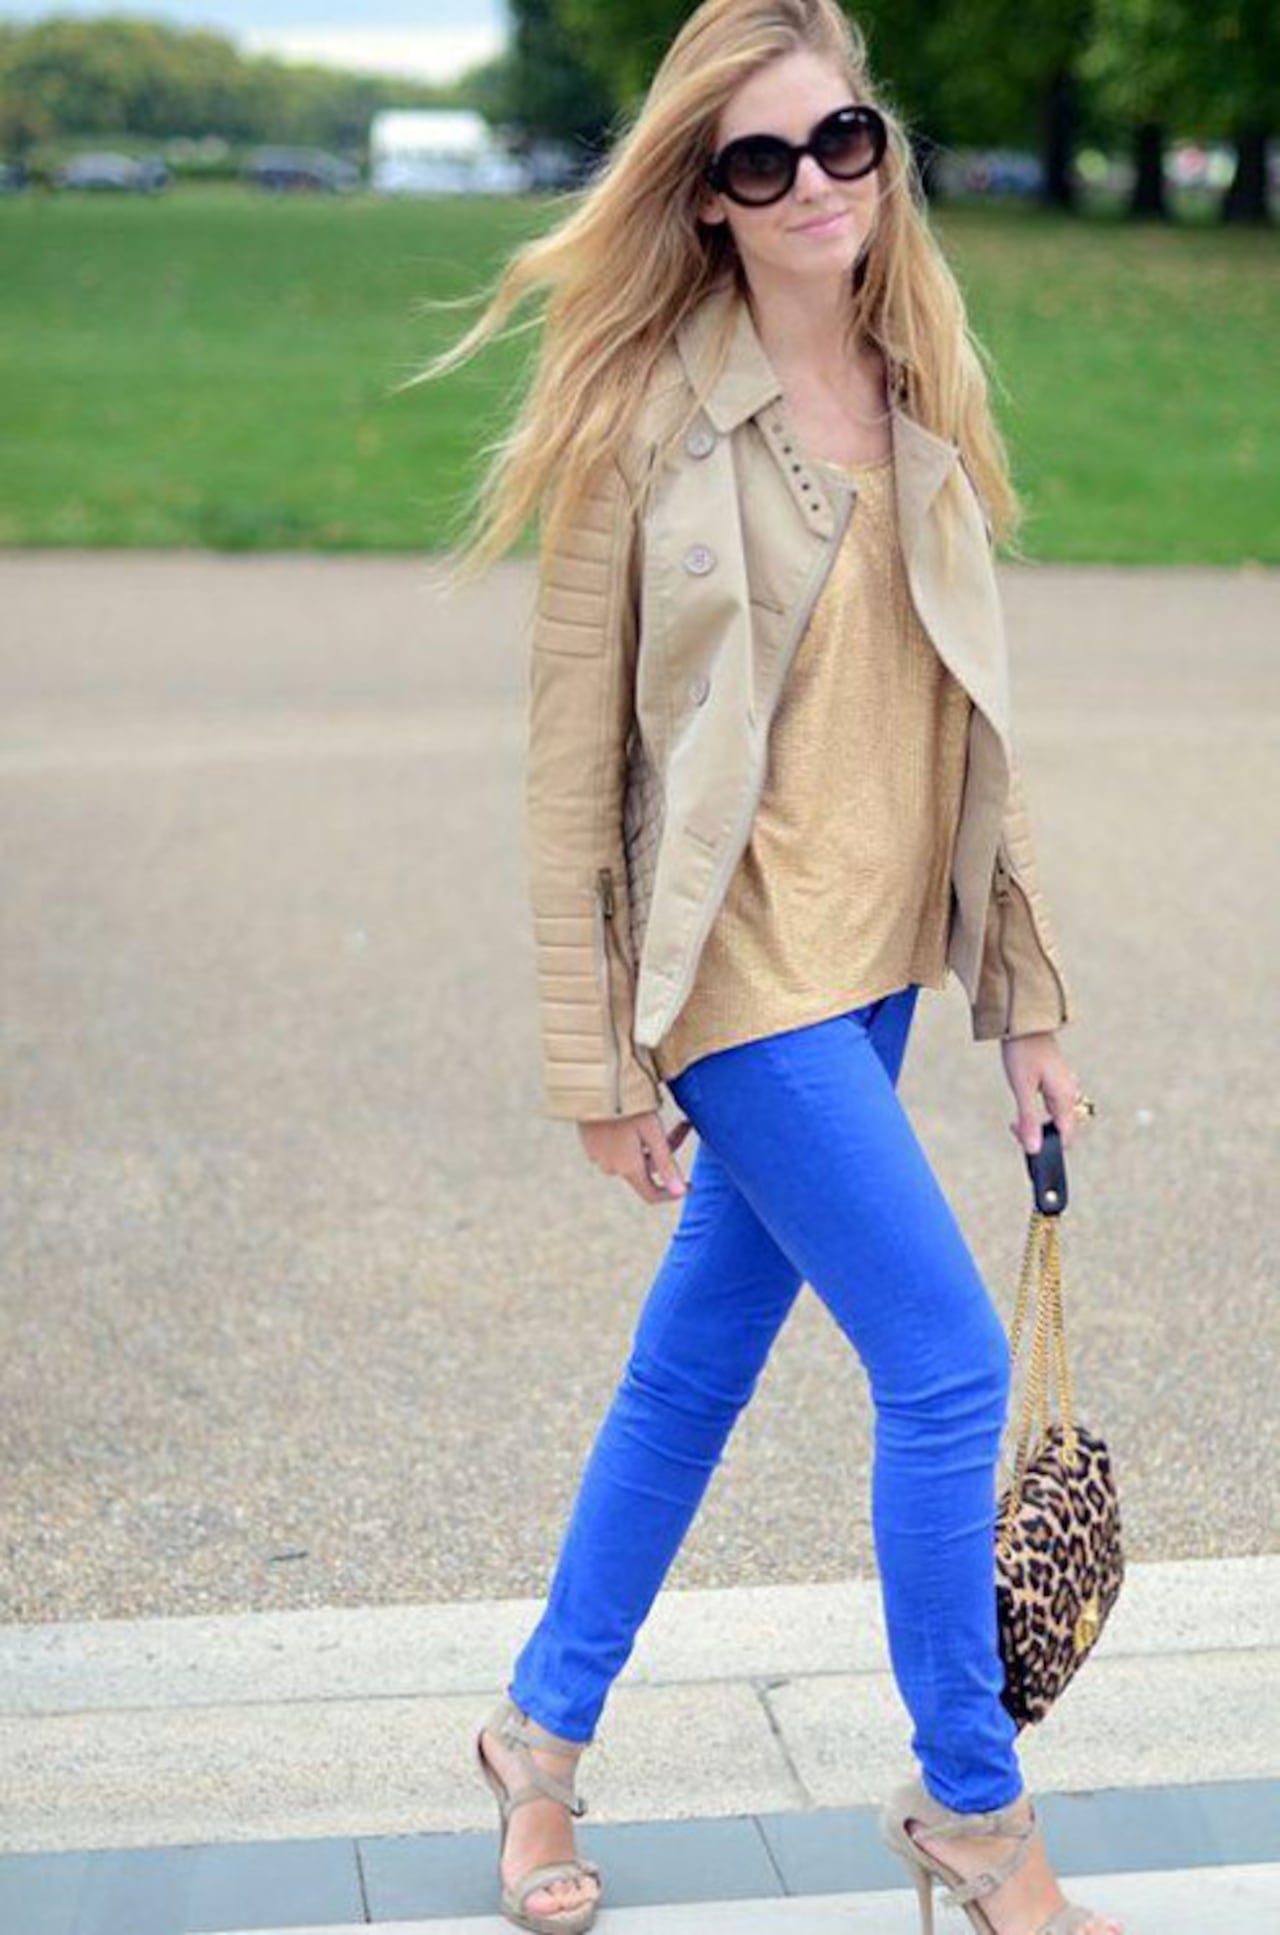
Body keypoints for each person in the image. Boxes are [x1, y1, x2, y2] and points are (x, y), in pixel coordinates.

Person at [415, 5, 1117, 1933]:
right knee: (949, 1364)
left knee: (692, 1372)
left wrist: (1027, 1000)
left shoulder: (923, 384)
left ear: (883, 150)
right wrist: (597, 1066)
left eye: (843, 139)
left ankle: (536, 1739)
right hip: (740, 978)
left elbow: (976, 725)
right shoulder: (644, 420)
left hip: (879, 964)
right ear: (706, 197)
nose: (815, 183)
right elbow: (574, 770)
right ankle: (975, 1811)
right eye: (761, 158)